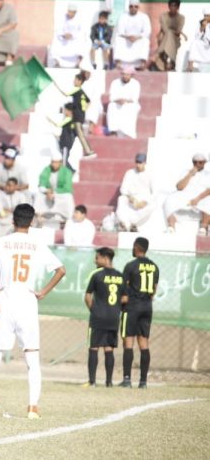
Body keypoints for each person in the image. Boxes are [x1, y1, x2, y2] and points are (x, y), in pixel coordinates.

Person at [0, 204, 66, 419]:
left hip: (4, 300)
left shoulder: (0, 242)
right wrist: (43, 292)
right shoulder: (38, 244)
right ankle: (32, 409)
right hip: (27, 302)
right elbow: (61, 270)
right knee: (31, 357)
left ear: (13, 221)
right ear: (32, 222)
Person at [120, 237, 159, 389]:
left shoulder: (131, 266)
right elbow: (154, 289)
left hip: (132, 307)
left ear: (136, 247)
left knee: (128, 342)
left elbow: (124, 290)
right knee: (144, 343)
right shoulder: (154, 267)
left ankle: (127, 379)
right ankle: (143, 382)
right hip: (147, 307)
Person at [84, 247, 125, 388]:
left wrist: (94, 310)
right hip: (113, 317)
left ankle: (92, 382)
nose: (95, 260)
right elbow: (125, 298)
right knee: (109, 349)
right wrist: (115, 308)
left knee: (93, 348)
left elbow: (87, 296)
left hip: (98, 317)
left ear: (105, 258)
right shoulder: (120, 276)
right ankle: (109, 382)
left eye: (97, 258)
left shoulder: (97, 274)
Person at [163, 153, 210, 234]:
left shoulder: (207, 174)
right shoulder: (186, 172)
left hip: (201, 196)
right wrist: (190, 174)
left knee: (208, 201)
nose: (197, 164)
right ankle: (171, 226)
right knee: (169, 199)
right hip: (185, 195)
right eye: (195, 162)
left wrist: (197, 199)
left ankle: (203, 227)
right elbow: (179, 187)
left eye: (200, 162)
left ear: (204, 163)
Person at [116, 153, 155, 232]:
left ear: (144, 163)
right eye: (137, 162)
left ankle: (132, 223)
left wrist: (145, 202)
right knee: (121, 199)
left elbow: (154, 191)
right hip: (132, 198)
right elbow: (123, 189)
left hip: (144, 198)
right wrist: (130, 197)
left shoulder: (150, 174)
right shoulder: (130, 173)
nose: (138, 165)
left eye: (140, 162)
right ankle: (126, 224)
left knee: (153, 204)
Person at [35, 154, 75, 224]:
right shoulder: (46, 170)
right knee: (39, 195)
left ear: (60, 162)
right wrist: (47, 191)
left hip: (60, 194)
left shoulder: (66, 172)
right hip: (48, 193)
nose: (54, 164)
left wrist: (54, 192)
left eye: (56, 162)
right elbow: (41, 184)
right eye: (53, 162)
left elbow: (68, 188)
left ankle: (65, 217)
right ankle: (40, 215)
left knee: (68, 196)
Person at [113, 0, 151, 70]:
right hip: (126, 39)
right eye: (131, 6)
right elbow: (120, 31)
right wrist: (128, 37)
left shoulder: (144, 17)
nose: (133, 8)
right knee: (118, 39)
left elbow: (147, 31)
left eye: (135, 6)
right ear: (129, 7)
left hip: (138, 39)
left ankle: (142, 64)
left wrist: (137, 37)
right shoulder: (123, 16)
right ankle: (119, 64)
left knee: (145, 40)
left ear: (138, 7)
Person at [151, 0, 185, 71]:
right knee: (168, 34)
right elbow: (165, 29)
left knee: (170, 36)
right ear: (169, 6)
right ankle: (169, 62)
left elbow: (178, 31)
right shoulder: (163, 16)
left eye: (175, 6)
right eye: (171, 5)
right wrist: (172, 30)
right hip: (163, 37)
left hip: (175, 39)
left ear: (178, 7)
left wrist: (172, 31)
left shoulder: (181, 18)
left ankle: (158, 54)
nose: (173, 8)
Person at [106, 66, 141, 138]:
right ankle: (113, 131)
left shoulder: (136, 84)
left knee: (131, 108)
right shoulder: (115, 82)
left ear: (131, 75)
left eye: (127, 75)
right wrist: (118, 100)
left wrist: (125, 101)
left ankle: (128, 133)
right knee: (111, 106)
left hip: (130, 104)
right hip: (117, 103)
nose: (125, 76)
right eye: (123, 74)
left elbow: (134, 99)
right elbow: (112, 97)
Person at [49, 4, 86, 68]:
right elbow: (58, 29)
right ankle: (57, 63)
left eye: (73, 12)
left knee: (83, 42)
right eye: (70, 11)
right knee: (54, 42)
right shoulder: (62, 18)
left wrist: (72, 35)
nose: (71, 13)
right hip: (63, 39)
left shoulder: (79, 19)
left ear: (75, 12)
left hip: (74, 39)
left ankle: (78, 63)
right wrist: (64, 35)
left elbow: (81, 31)